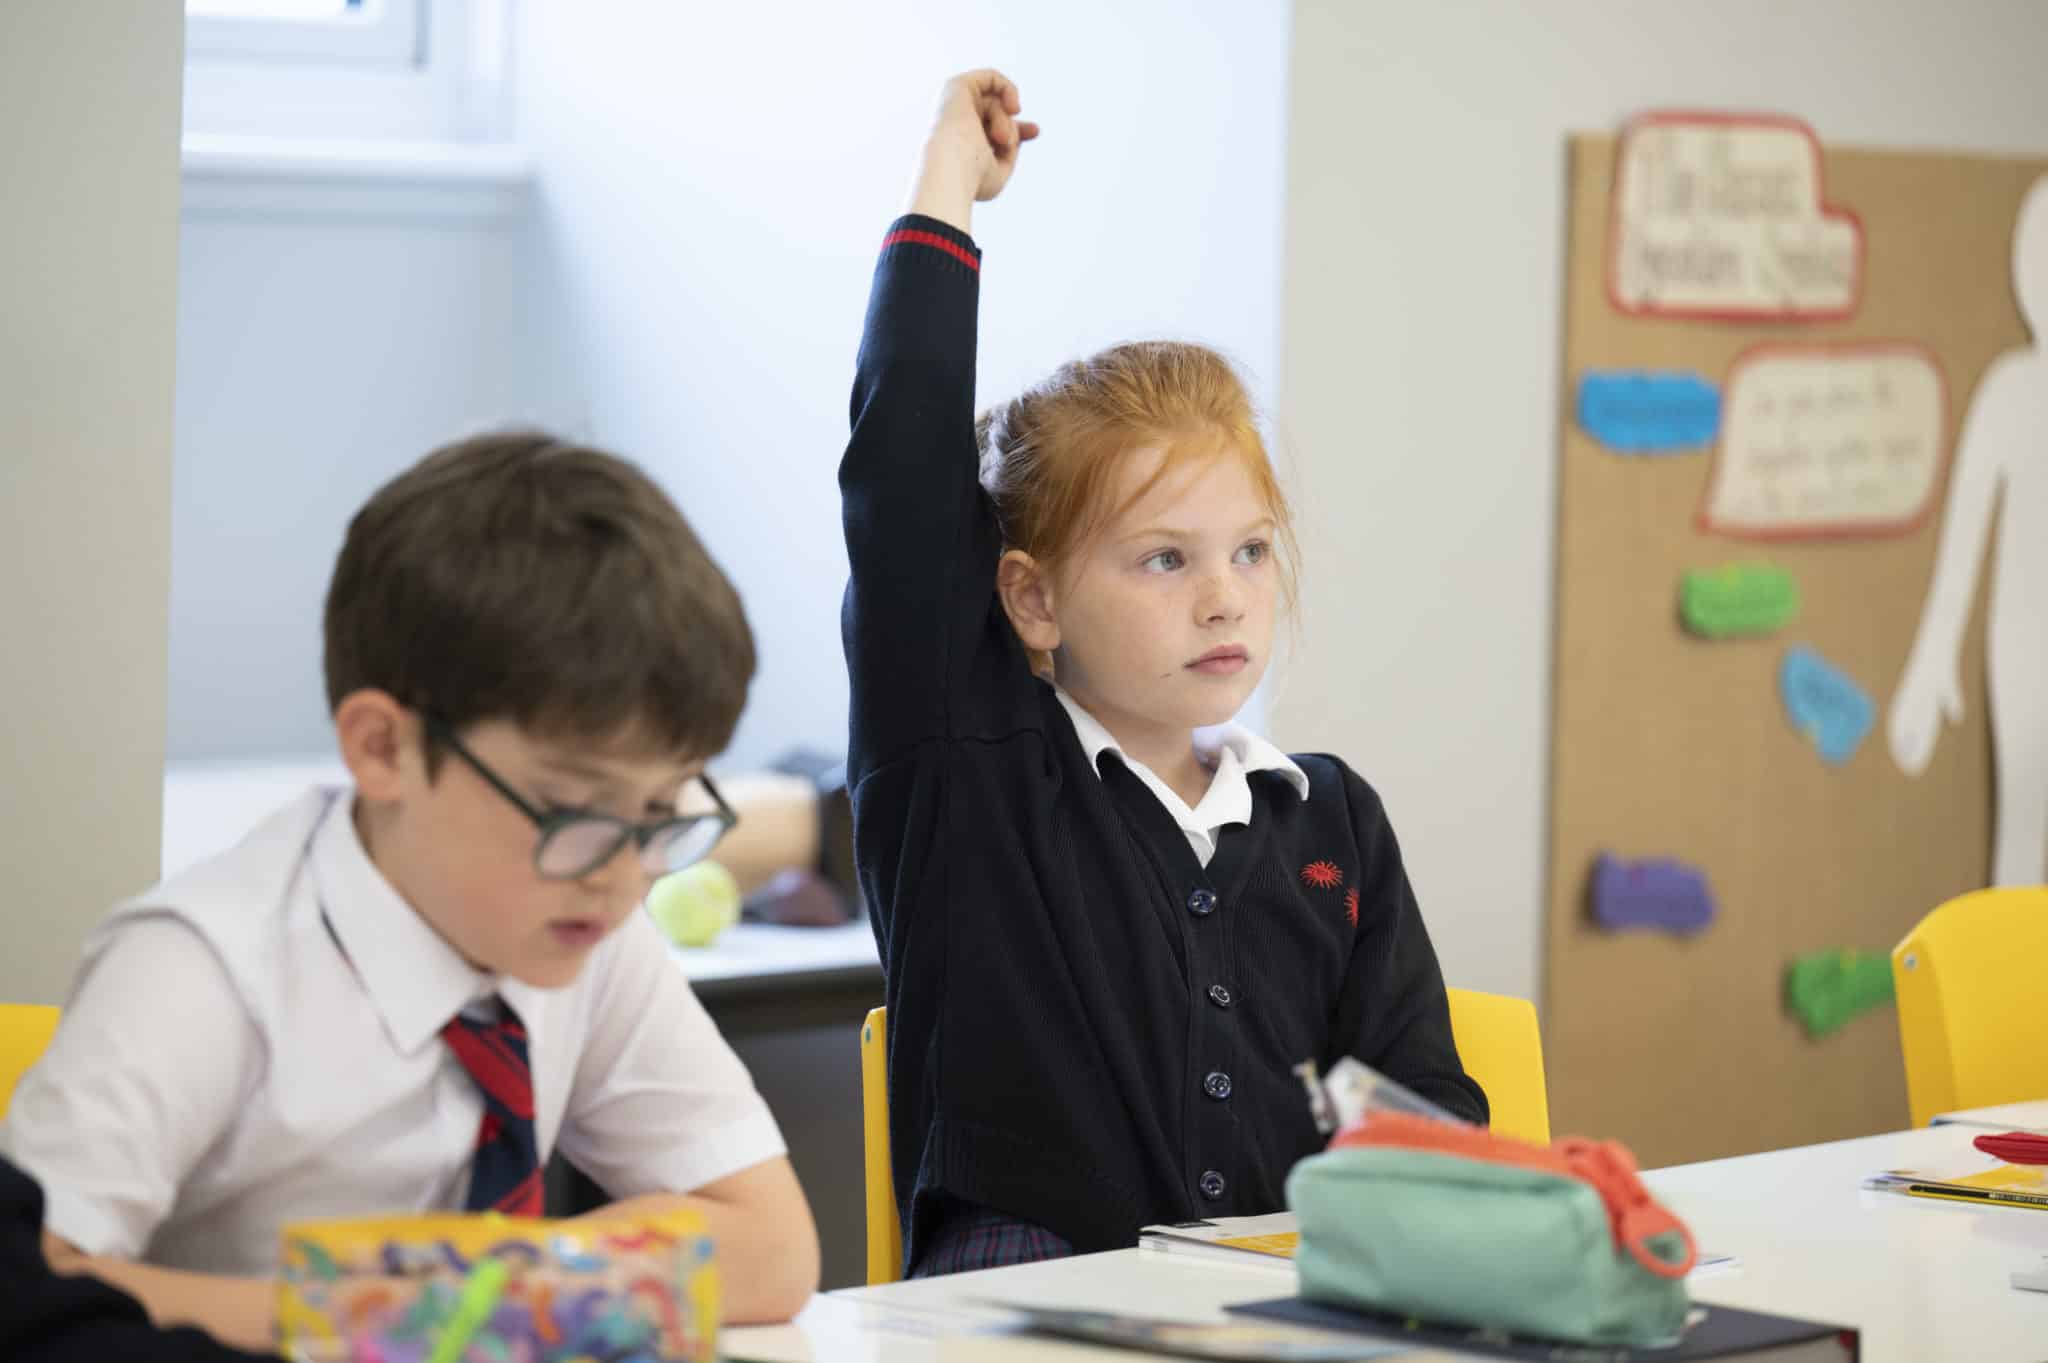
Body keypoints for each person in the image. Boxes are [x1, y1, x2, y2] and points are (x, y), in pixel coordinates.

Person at [838, 69, 1487, 1278]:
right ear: (1031, 598)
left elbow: (1413, 1097)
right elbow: (900, 471)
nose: (1222, 595)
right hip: (1024, 1309)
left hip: (1278, 1296)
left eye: (1248, 550)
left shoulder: (1328, 817)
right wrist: (947, 180)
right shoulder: (970, 772)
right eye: (1162, 559)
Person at [0, 432, 819, 1349]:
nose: (626, 872)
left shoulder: (587, 921)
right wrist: (418, 1313)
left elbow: (775, 1245)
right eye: (570, 808)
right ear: (383, 748)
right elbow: (32, 1293)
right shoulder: (201, 970)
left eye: (661, 808)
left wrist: (475, 1293)